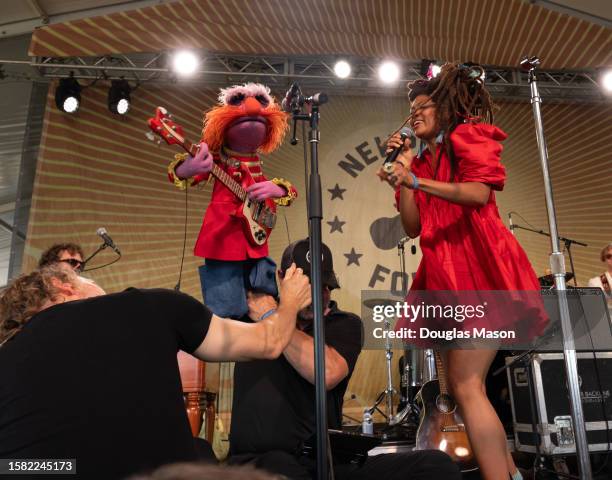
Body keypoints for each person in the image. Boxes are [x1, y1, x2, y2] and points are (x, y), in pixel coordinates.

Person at [377, 63, 546, 480]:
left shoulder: (465, 136)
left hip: (478, 268)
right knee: (467, 386)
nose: (414, 113)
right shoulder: (426, 160)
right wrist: (405, 174)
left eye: (423, 106)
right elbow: (414, 227)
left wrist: (416, 183)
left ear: (447, 107)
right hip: (445, 274)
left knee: (467, 385)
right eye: (410, 108)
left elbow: (478, 193)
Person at [0, 263, 310, 479]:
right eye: (88, 279)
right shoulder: (146, 304)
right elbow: (269, 343)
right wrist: (291, 301)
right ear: (62, 286)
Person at [228, 238, 461, 480]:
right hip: (258, 464)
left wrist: (273, 315)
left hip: (323, 463)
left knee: (437, 466)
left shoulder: (343, 324)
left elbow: (326, 372)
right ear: (281, 278)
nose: (317, 295)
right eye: (306, 286)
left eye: (323, 286)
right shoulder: (250, 314)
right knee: (281, 467)